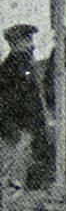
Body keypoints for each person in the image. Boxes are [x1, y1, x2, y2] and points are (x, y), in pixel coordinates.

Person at [0, 24, 52, 190]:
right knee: (14, 176)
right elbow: (6, 102)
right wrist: (11, 129)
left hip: (28, 129)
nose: (32, 45)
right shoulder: (11, 69)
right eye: (27, 40)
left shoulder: (25, 66)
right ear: (16, 43)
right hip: (18, 132)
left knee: (21, 175)